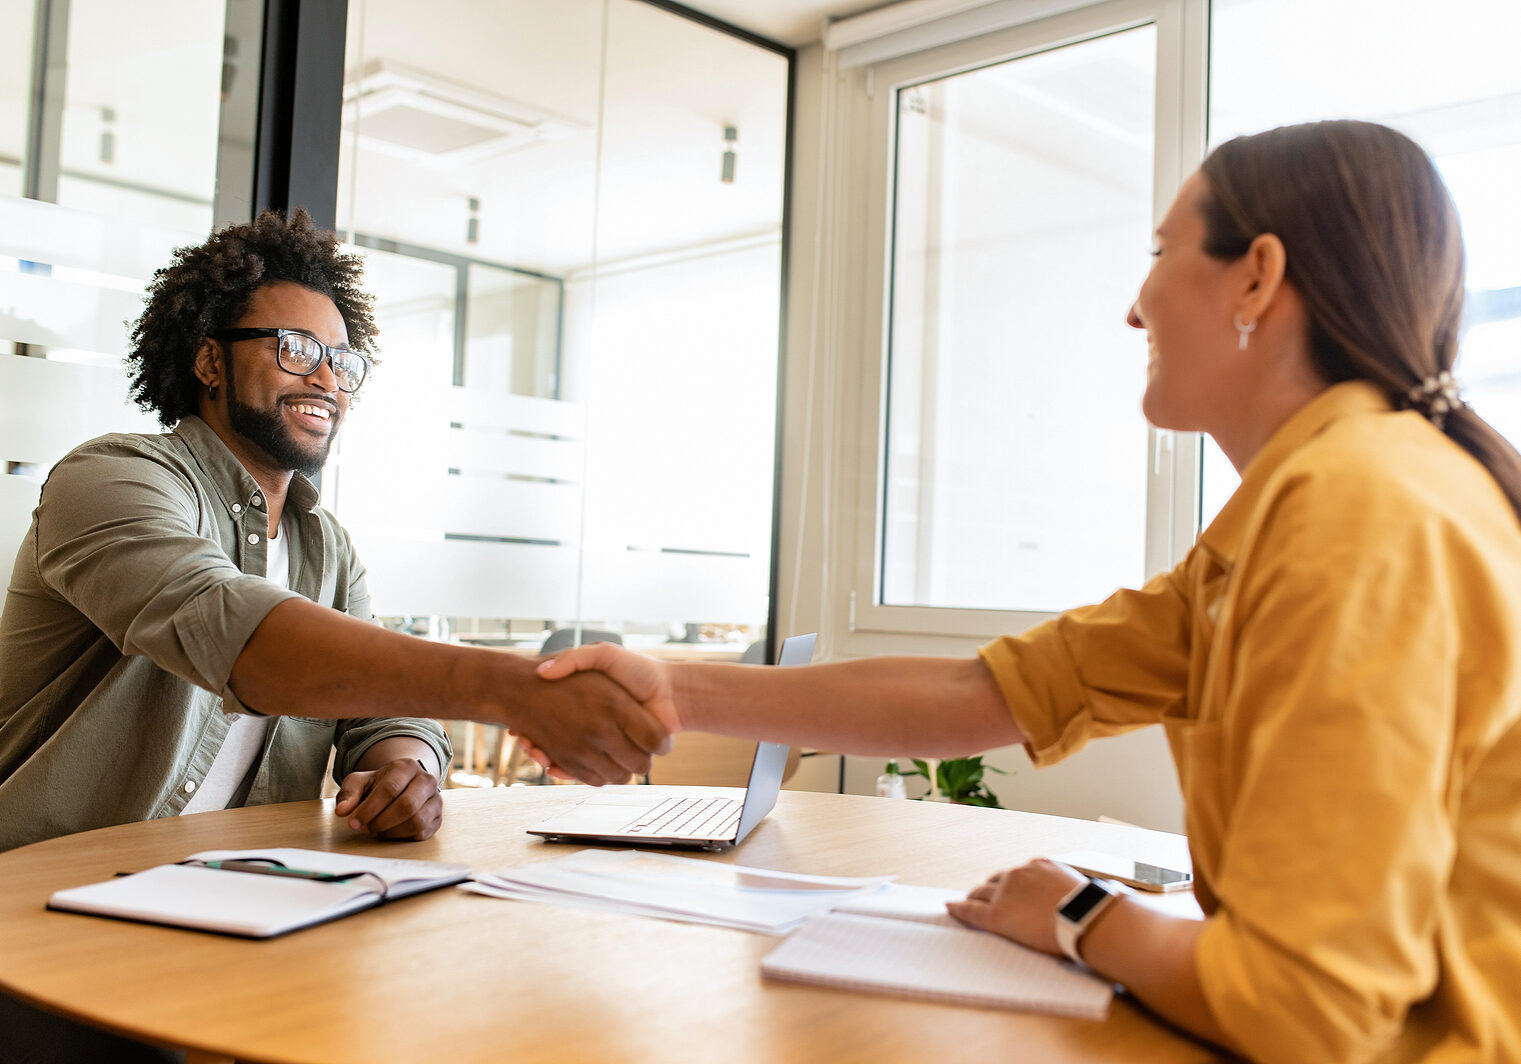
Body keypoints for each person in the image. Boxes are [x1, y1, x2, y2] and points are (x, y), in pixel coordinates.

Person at [536, 120, 1521, 1064]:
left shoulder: (1357, 512)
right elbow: (984, 692)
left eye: (1160, 250)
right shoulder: (1291, 516)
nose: (1135, 307)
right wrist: (670, 682)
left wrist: (1080, 914)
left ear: (1257, 275)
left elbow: (1305, 1010)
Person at [0, 208, 669, 854]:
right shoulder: (110, 480)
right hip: (44, 892)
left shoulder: (328, 548)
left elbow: (384, 712)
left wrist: (404, 769)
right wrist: (509, 688)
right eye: (295, 350)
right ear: (210, 363)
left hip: (224, 891)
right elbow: (237, 634)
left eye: (343, 362)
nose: (326, 378)